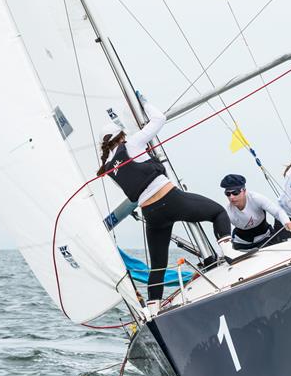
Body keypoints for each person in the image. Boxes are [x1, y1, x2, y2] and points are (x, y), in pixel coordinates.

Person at [97, 93, 231, 316]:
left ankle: (153, 309)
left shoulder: (109, 167)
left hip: (151, 214)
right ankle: (229, 253)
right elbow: (159, 119)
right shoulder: (131, 143)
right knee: (218, 213)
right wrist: (145, 103)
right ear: (121, 135)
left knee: (157, 267)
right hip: (170, 199)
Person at [220, 174, 291, 250]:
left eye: (235, 193)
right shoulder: (227, 211)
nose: (232, 197)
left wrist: (287, 222)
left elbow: (277, 212)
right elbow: (224, 236)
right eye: (228, 194)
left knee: (281, 219)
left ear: (244, 191)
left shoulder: (256, 198)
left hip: (266, 238)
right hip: (242, 245)